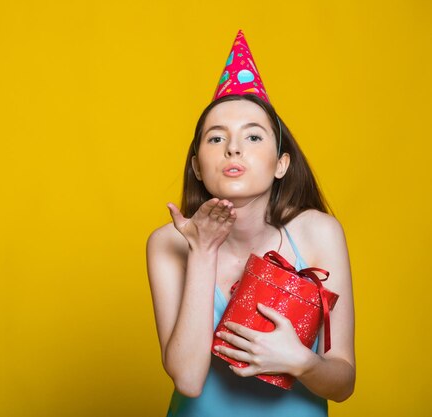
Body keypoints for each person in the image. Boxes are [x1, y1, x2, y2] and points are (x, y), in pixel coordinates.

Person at [146, 30, 355, 417]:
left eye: (254, 136)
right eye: (215, 138)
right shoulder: (168, 243)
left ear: (281, 164)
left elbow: (343, 382)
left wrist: (302, 362)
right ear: (197, 165)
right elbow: (188, 380)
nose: (233, 148)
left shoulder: (318, 232)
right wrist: (203, 250)